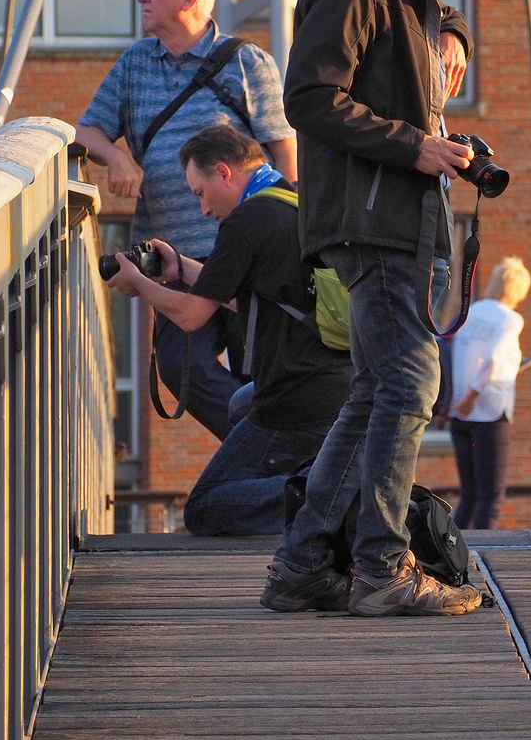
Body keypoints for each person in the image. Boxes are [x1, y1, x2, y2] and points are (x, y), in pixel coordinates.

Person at [262, 0, 492, 618]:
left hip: (387, 220)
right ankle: (381, 566)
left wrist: (451, 31)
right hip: (373, 221)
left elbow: (411, 31)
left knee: (374, 390)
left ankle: (300, 566)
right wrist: (414, 145)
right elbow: (308, 96)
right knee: (408, 385)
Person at [76, 0, 296, 442]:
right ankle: (261, 447)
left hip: (245, 252)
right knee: (181, 369)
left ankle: (272, 462)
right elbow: (86, 130)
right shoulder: (136, 61)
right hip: (173, 256)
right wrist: (116, 159)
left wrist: (286, 233)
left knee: (257, 370)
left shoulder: (247, 62)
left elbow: (284, 153)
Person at [105, 125, 352, 535]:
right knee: (238, 404)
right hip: (337, 387)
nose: (202, 210)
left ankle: (328, 496)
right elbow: (253, 301)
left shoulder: (245, 222)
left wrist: (140, 284)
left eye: (200, 193)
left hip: (297, 398)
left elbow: (189, 317)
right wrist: (180, 266)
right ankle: (323, 481)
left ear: (223, 172)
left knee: (204, 508)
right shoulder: (290, 201)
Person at [448, 257, 531, 530]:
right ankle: (484, 553)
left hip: (459, 418)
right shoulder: (510, 319)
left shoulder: (468, 313)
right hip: (488, 414)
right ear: (518, 290)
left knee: (469, 494)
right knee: (490, 496)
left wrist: (453, 403)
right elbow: (494, 360)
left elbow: (450, 357)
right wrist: (472, 397)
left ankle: (449, 551)